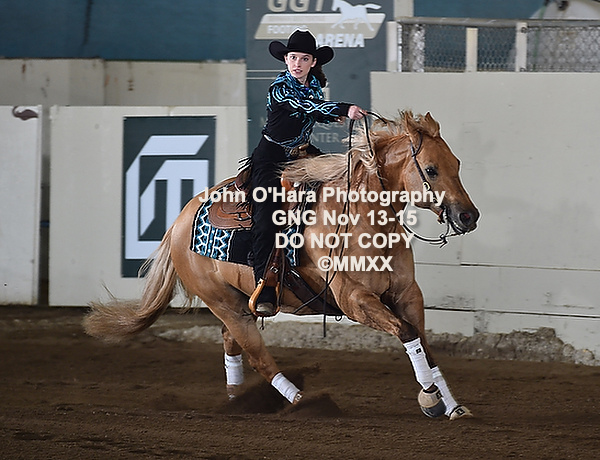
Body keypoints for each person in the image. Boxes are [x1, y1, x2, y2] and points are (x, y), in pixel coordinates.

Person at [248, 29, 367, 317]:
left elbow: (314, 110)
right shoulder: (279, 87)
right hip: (271, 157)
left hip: (301, 152)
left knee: (339, 181)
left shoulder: (313, 83)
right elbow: (306, 107)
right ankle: (263, 284)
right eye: (293, 58)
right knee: (266, 216)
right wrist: (343, 108)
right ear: (285, 60)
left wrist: (334, 115)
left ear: (313, 62)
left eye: (304, 59)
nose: (297, 63)